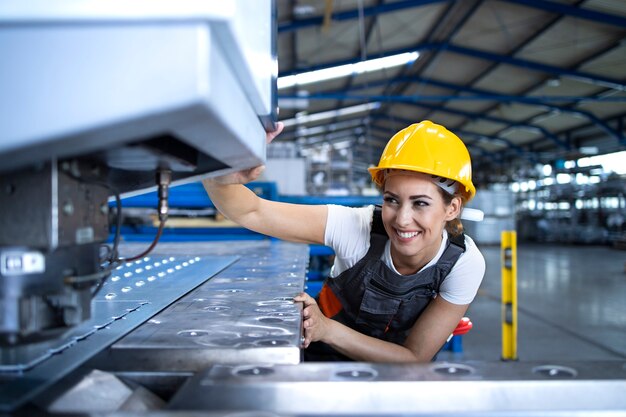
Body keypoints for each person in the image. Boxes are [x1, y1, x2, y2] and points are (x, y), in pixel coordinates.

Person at [202, 120, 485, 362]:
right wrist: (219, 174)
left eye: (420, 203)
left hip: (396, 381)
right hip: (319, 363)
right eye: (392, 200)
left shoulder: (462, 263)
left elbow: (414, 357)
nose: (402, 219)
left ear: (452, 208)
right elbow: (252, 211)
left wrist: (328, 329)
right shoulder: (356, 227)